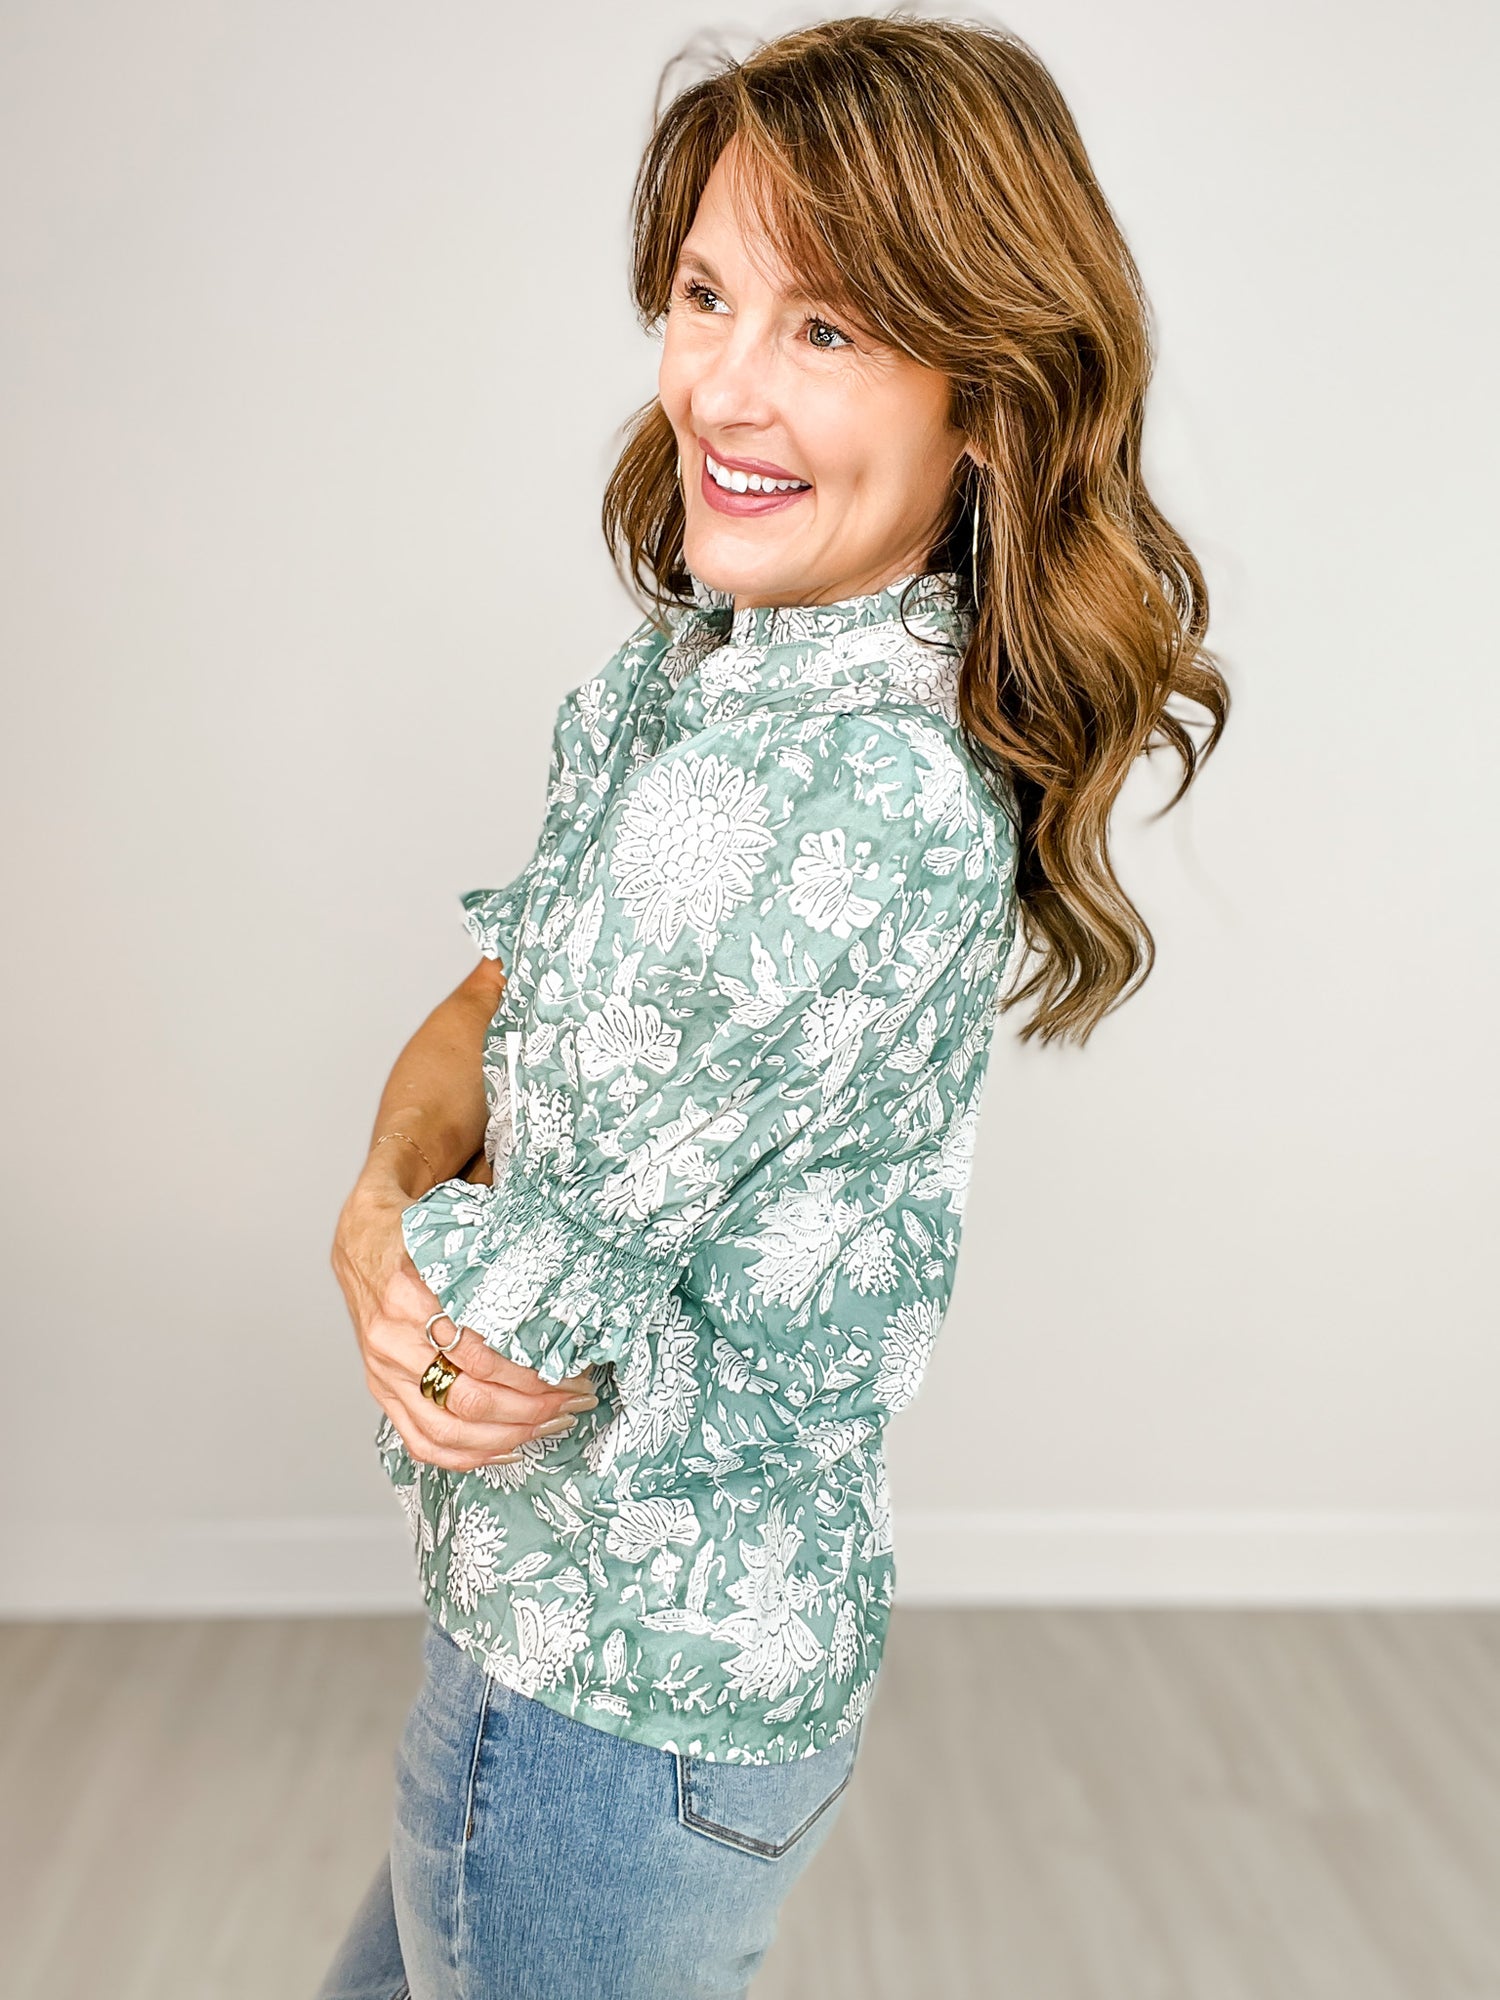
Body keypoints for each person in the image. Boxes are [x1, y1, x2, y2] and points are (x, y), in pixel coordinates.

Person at [317, 16, 1228, 1999]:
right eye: (707, 296)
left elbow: (488, 1356)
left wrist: (381, 1237)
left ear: (985, 394)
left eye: (826, 328)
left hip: (600, 1718)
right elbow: (493, 997)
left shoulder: (819, 799)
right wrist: (392, 1189)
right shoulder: (720, 673)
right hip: (615, 1681)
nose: (722, 384)